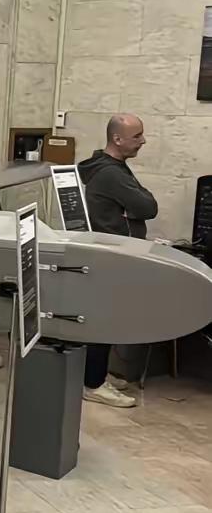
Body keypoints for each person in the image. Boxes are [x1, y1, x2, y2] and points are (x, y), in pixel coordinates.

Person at [76, 113, 158, 408]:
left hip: (115, 252)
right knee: (103, 319)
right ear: (117, 139)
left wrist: (134, 205)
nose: (143, 141)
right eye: (137, 136)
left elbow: (142, 202)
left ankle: (96, 375)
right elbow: (148, 206)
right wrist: (133, 207)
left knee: (107, 318)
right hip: (112, 254)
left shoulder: (113, 167)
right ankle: (93, 384)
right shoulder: (110, 173)